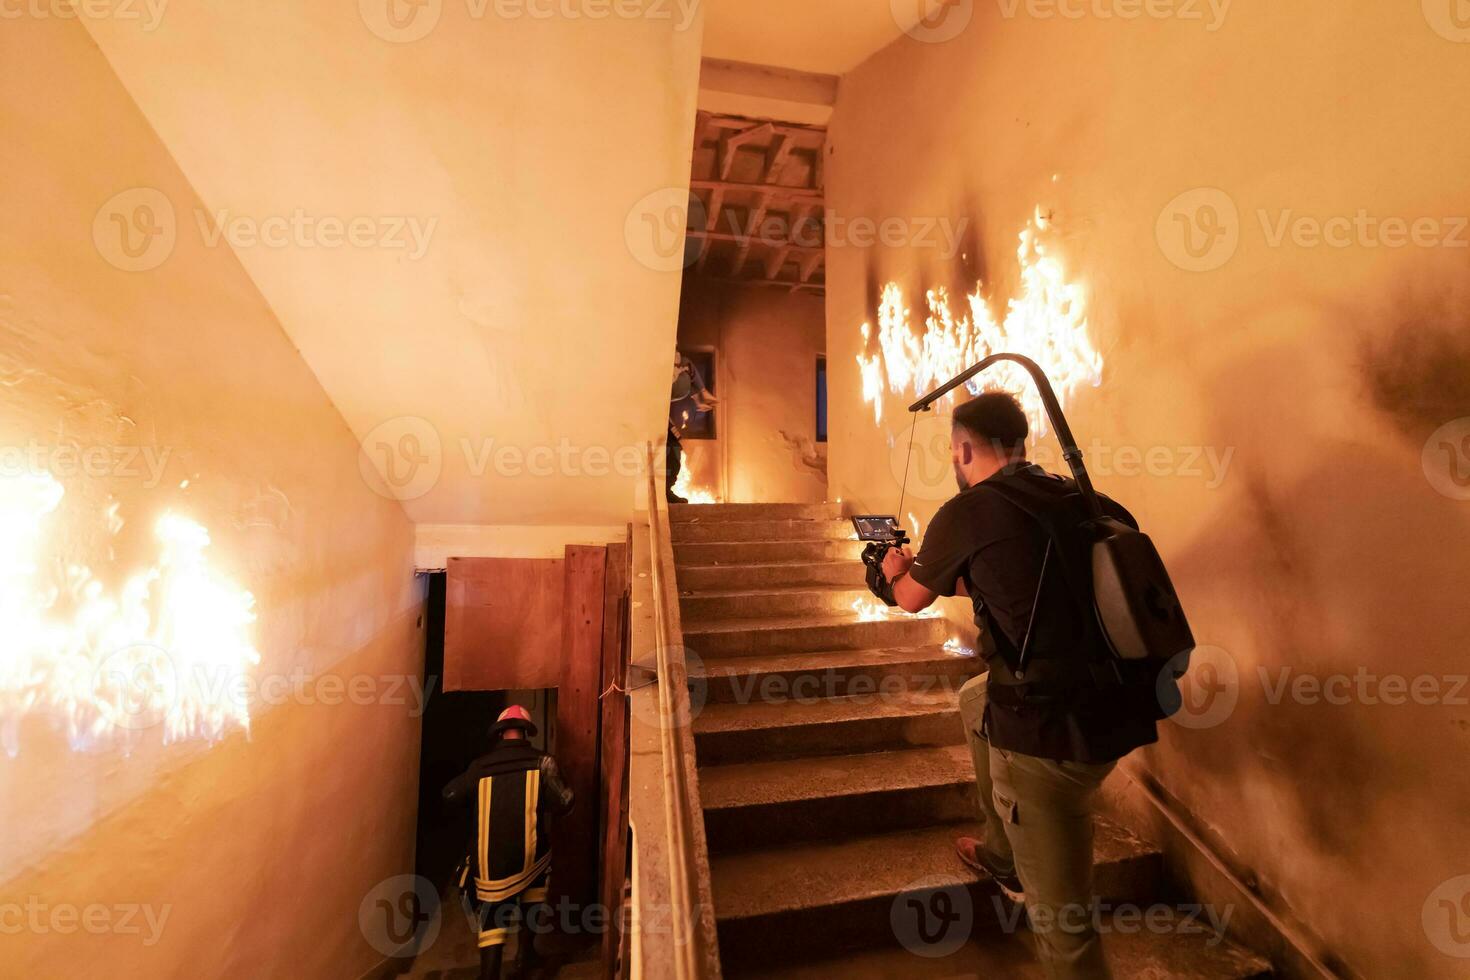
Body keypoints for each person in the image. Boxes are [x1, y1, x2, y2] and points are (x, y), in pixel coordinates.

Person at [880, 392, 1161, 980]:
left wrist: (891, 574)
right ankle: (1000, 852)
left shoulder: (968, 512)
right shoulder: (1082, 499)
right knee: (973, 697)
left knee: (1065, 925)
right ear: (1021, 441)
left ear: (962, 449)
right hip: (1123, 706)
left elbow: (910, 600)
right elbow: (1026, 582)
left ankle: (1022, 856)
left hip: (1047, 733)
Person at [443, 705, 575, 980]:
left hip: (491, 860)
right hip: (532, 855)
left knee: (493, 916)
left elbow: (450, 794)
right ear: (527, 733)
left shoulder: (481, 766)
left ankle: (489, 974)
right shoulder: (543, 762)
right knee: (532, 899)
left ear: (500, 733)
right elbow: (565, 801)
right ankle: (525, 959)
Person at [666, 351, 717, 503]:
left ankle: (666, 490)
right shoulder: (676, 370)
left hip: (663, 418)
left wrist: (700, 397)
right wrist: (701, 393)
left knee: (674, 450)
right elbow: (687, 367)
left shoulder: (681, 370)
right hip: (655, 417)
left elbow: (688, 369)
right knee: (672, 451)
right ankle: (665, 491)